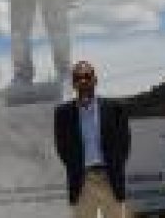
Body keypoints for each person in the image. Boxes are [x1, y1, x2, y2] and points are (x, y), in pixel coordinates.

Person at [54, 61, 131, 218]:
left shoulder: (115, 108)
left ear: (95, 80)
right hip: (82, 182)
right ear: (73, 84)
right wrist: (76, 168)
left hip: (110, 179)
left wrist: (115, 166)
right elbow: (62, 148)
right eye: (78, 78)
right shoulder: (62, 113)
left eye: (87, 76)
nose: (83, 81)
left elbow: (124, 144)